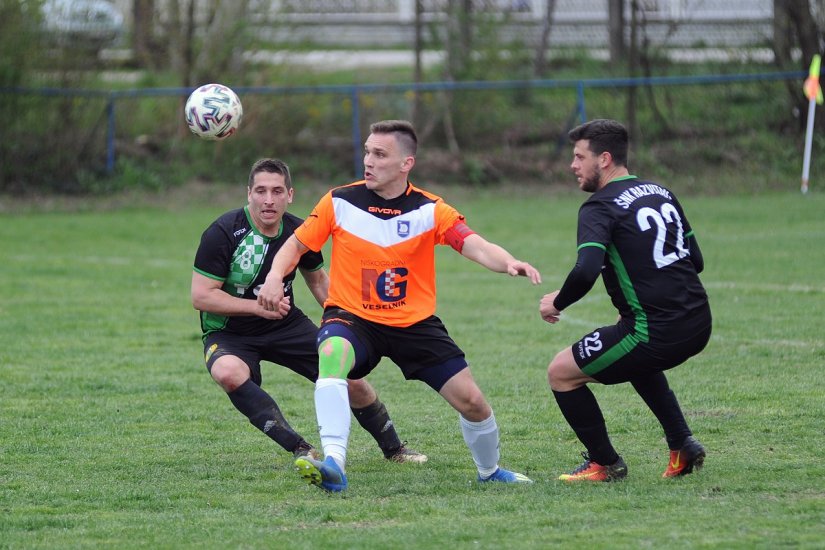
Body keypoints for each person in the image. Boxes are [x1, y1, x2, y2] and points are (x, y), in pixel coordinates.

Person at [257, 120, 541, 492]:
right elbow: (294, 246)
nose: (368, 161)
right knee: (331, 355)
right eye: (367, 152)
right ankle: (334, 463)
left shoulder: (429, 209)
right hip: (352, 316)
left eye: (380, 154)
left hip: (414, 324)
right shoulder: (339, 201)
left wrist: (507, 262)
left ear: (406, 163)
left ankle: (490, 471)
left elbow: (474, 243)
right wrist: (276, 277)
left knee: (472, 402)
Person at [191, 158, 426, 466]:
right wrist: (257, 308)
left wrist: (351, 324)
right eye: (261, 191)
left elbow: (317, 281)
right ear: (249, 193)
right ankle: (301, 448)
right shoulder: (223, 232)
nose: (268, 200)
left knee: (346, 374)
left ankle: (395, 450)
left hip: (285, 324)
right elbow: (201, 296)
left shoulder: (300, 231)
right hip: (229, 332)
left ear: (290, 195)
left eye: (277, 191)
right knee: (228, 373)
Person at [540, 119, 711, 482]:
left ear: (604, 159)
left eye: (578, 156)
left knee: (560, 373)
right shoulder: (660, 191)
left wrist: (558, 302)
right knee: (635, 358)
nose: (572, 166)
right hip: (699, 321)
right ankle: (682, 444)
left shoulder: (598, 207)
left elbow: (586, 270)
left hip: (654, 331)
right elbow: (696, 260)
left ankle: (604, 463)